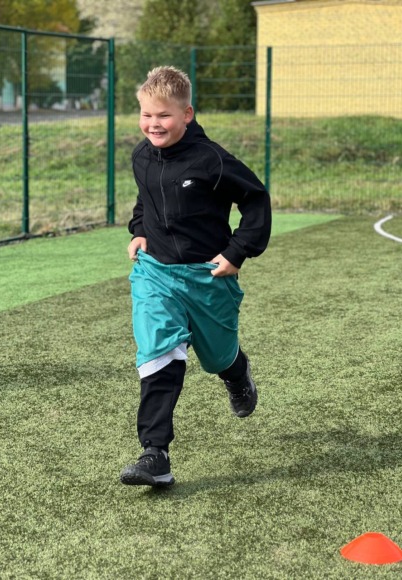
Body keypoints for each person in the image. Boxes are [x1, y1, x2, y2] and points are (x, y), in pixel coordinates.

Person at [120, 66, 271, 487]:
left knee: (218, 356)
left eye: (164, 115)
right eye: (146, 115)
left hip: (208, 276)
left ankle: (236, 372)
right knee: (159, 353)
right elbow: (146, 198)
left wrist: (238, 252)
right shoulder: (141, 156)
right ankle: (155, 454)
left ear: (187, 114)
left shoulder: (211, 160)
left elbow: (255, 200)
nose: (154, 124)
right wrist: (140, 230)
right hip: (155, 274)